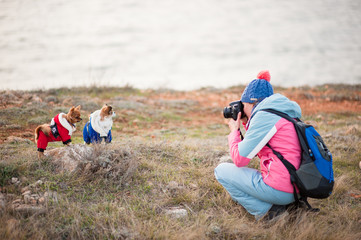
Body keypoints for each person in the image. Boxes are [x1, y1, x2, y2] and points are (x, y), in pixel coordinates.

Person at [214, 70, 302, 221]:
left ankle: (268, 213)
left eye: (243, 105)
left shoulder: (264, 116)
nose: (242, 109)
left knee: (221, 171)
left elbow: (240, 159)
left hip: (282, 190)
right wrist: (248, 124)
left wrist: (235, 130)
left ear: (250, 102)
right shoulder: (283, 112)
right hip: (299, 187)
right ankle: (283, 205)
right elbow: (258, 149)